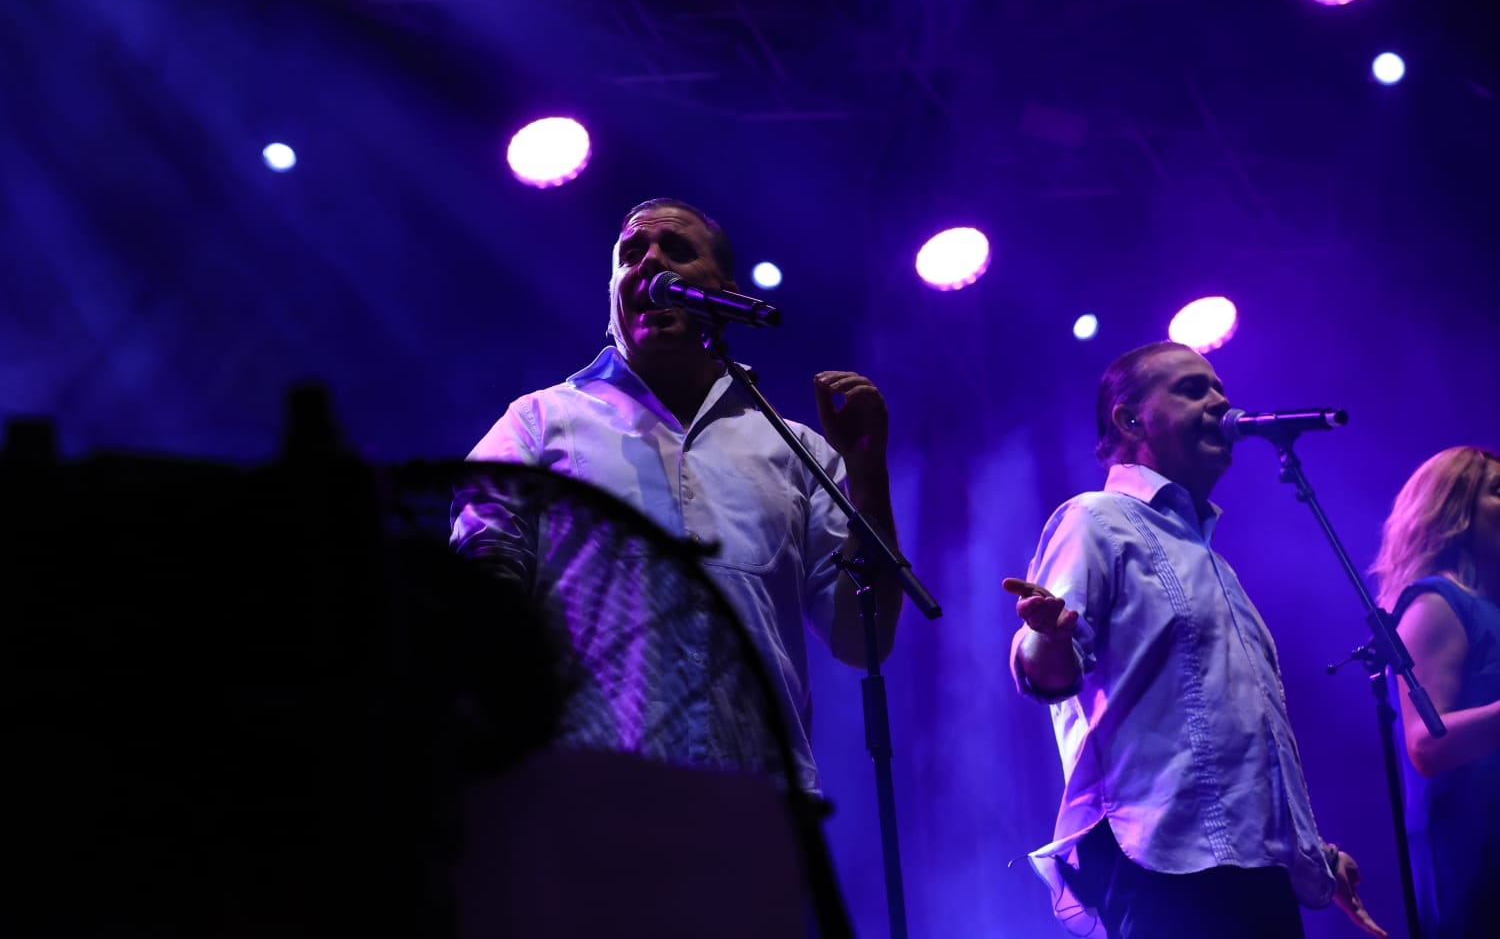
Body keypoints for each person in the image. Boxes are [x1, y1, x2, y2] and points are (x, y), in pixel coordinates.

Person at [449, 197, 902, 795]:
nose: (650, 263)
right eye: (631, 255)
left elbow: (860, 638)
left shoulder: (798, 451)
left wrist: (868, 477)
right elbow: (475, 605)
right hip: (587, 801)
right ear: (613, 293)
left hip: (760, 809)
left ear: (724, 290)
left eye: (677, 251)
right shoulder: (536, 424)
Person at [1004, 340, 1385, 938]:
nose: (1219, 402)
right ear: (1129, 420)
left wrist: (1315, 853)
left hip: (1256, 872)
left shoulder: (1213, 562)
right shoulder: (1095, 518)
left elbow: (1246, 739)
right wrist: (1048, 639)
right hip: (1165, 867)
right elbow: (1045, 671)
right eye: (1192, 390)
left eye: (1220, 390)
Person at [1371, 445, 1500, 939]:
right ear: (1454, 512)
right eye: (1497, 491)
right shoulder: (1437, 602)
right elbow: (1426, 741)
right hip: (1473, 858)